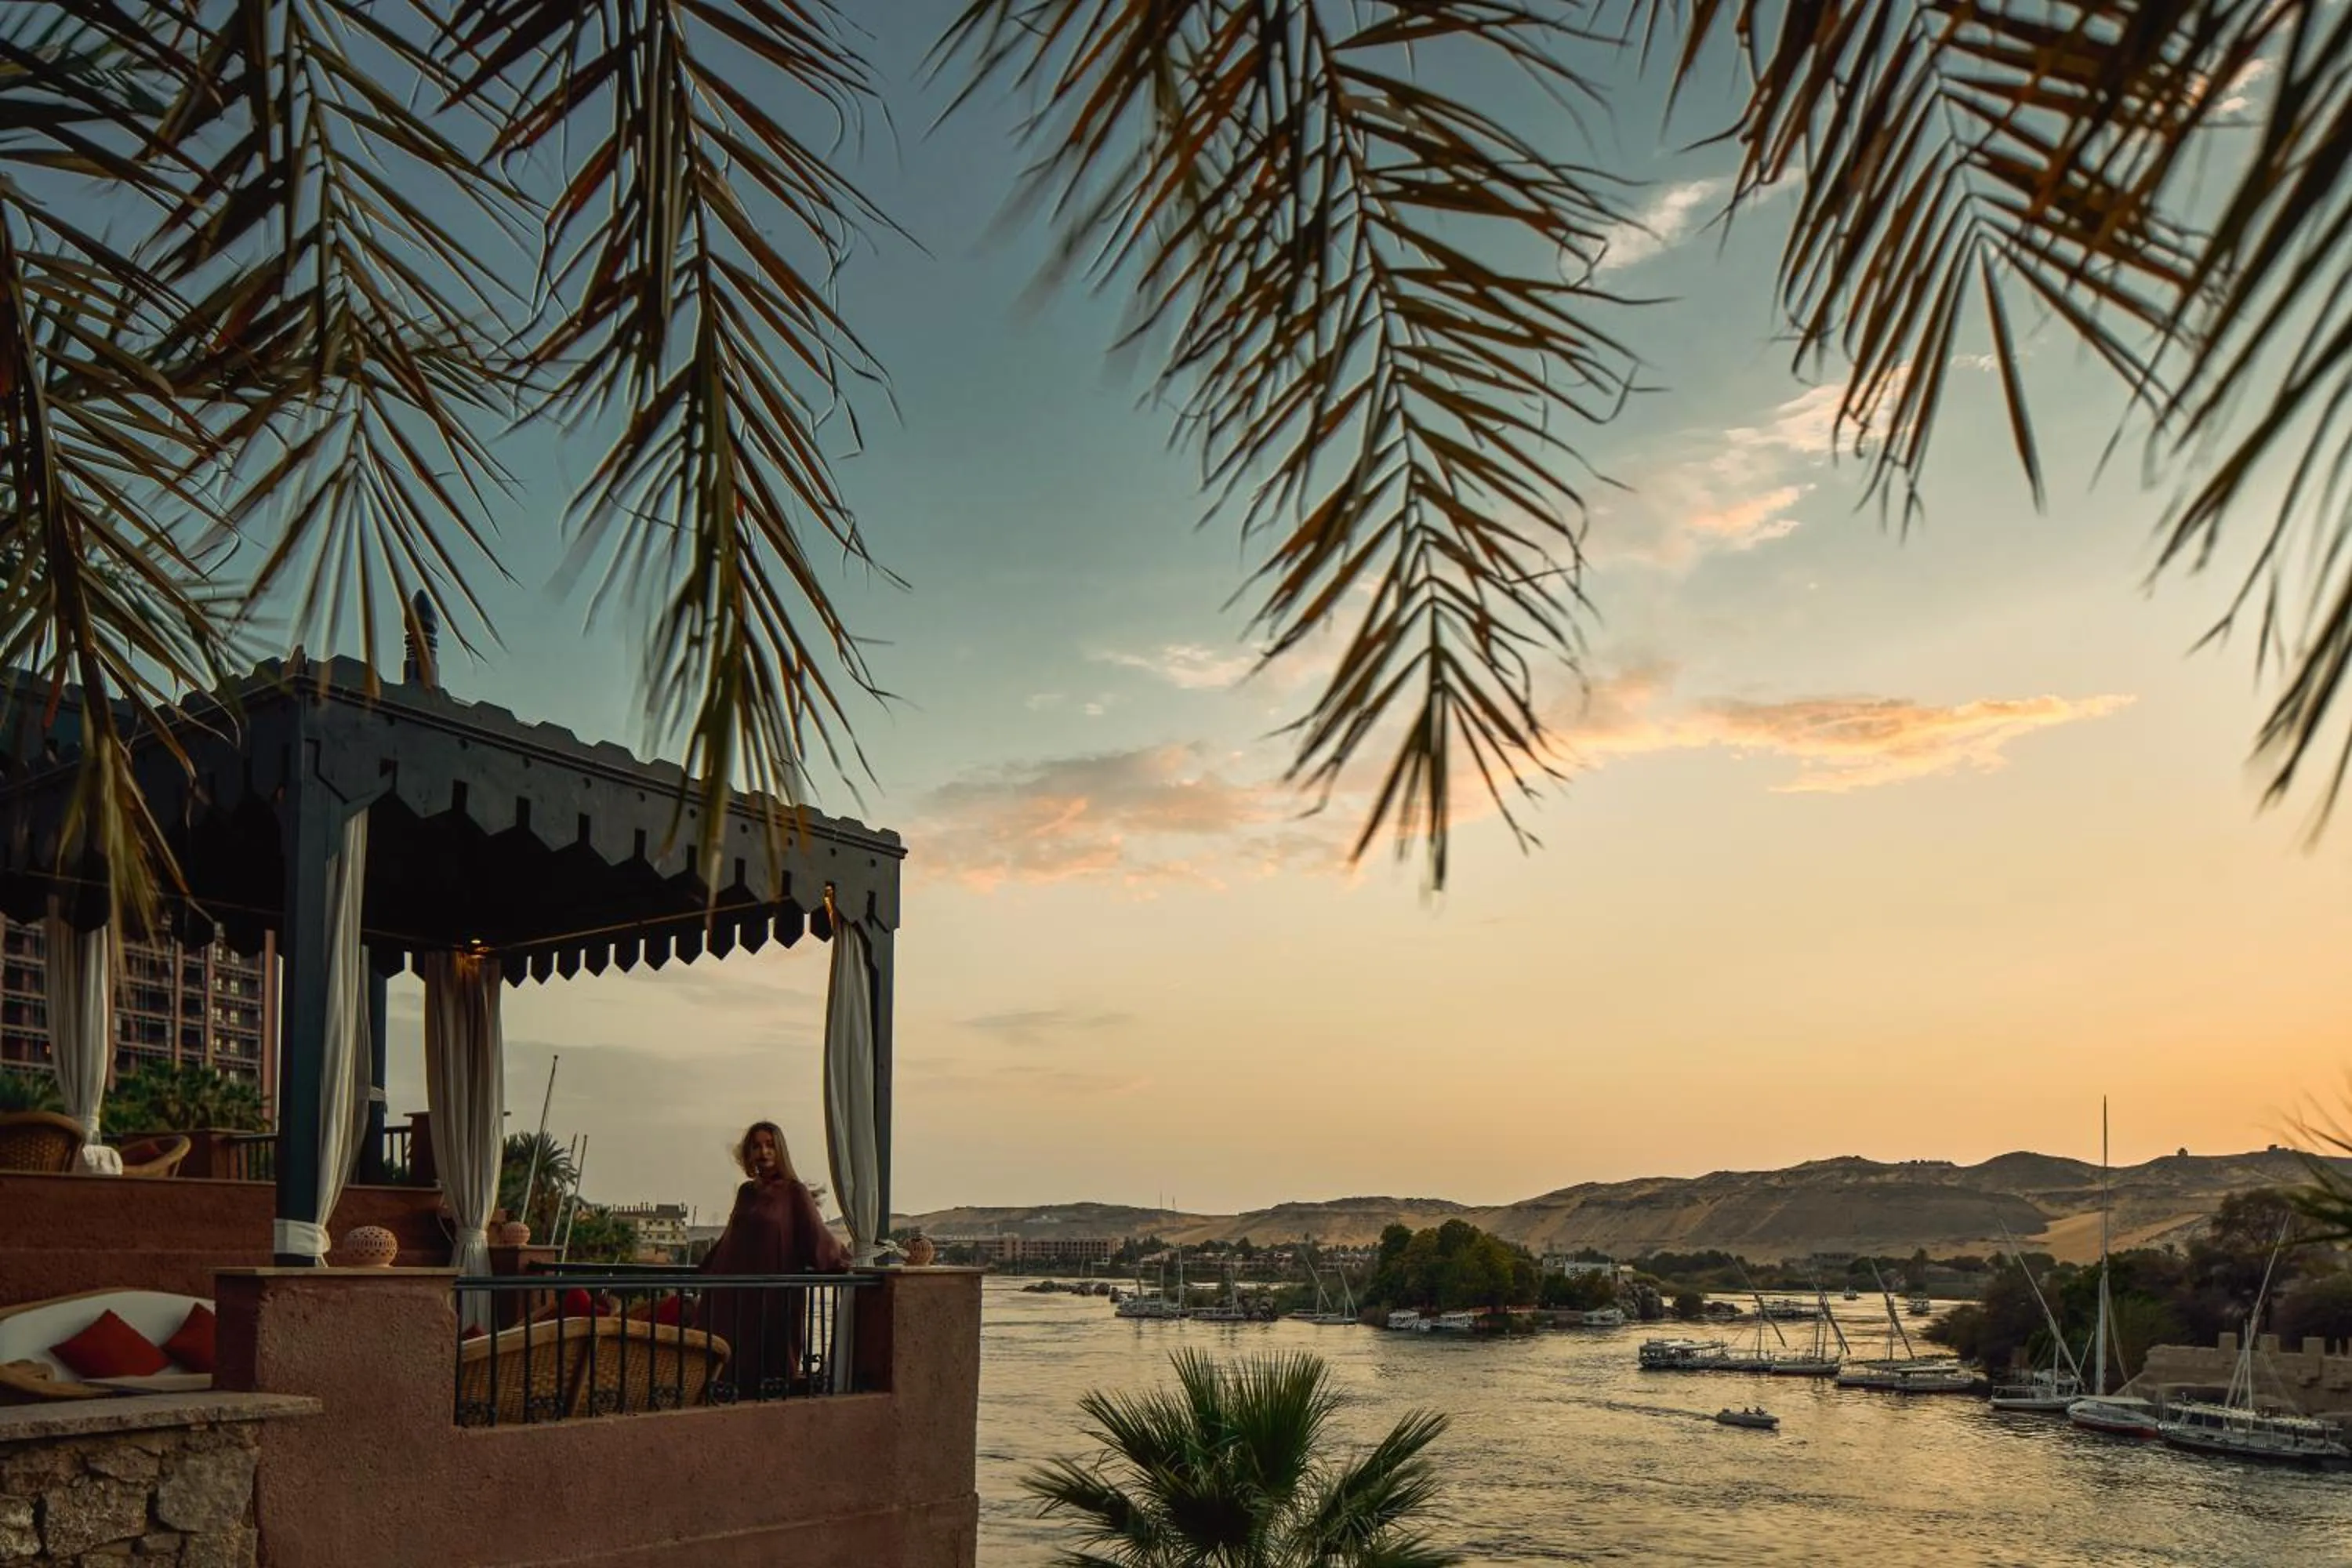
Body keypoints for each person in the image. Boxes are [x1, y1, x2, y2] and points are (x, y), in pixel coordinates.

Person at [696, 1121, 850, 1397]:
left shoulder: (794, 1193)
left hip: (774, 1299)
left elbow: (817, 1238)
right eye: (756, 1146)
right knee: (729, 1367)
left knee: (769, 1371)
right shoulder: (746, 1193)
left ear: (780, 1151)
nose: (763, 1152)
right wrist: (705, 1272)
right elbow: (731, 1240)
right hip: (736, 1298)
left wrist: (850, 1261)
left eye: (769, 1145)